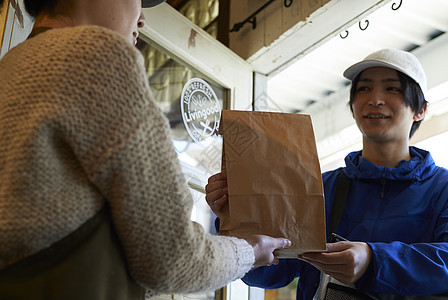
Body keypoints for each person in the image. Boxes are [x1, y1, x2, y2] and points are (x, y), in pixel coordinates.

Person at [0, 0, 292, 299]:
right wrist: (250, 250)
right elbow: (172, 258)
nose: (141, 20)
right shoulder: (94, 54)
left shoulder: (11, 67)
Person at [206, 48, 448, 299]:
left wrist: (373, 261)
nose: (375, 99)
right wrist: (235, 219)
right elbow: (272, 272)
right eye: (364, 89)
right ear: (353, 106)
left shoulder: (445, 188)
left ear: (420, 109)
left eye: (392, 89)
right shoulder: (320, 186)